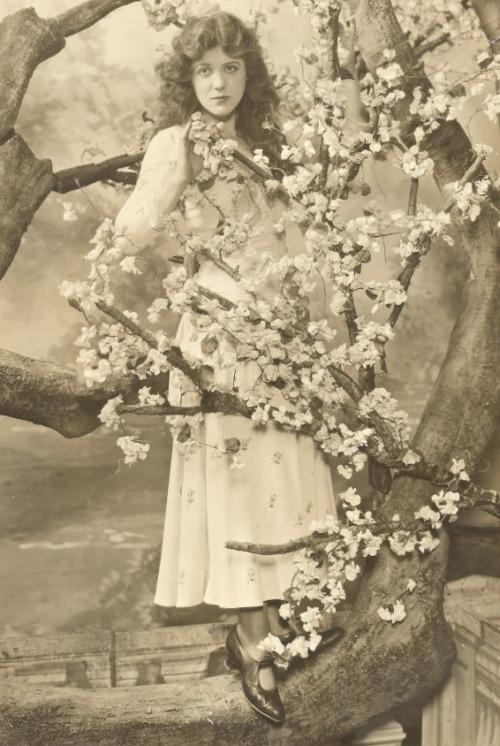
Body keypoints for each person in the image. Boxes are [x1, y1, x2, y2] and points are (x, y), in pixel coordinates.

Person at [114, 11, 349, 725]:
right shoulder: (176, 143)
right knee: (239, 478)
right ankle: (254, 641)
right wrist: (184, 235)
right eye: (205, 71)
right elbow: (132, 230)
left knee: (285, 475)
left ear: (251, 75)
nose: (219, 83)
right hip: (219, 336)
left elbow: (301, 238)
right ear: (187, 81)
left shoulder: (268, 141)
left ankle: (281, 628)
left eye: (232, 69)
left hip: (282, 331)